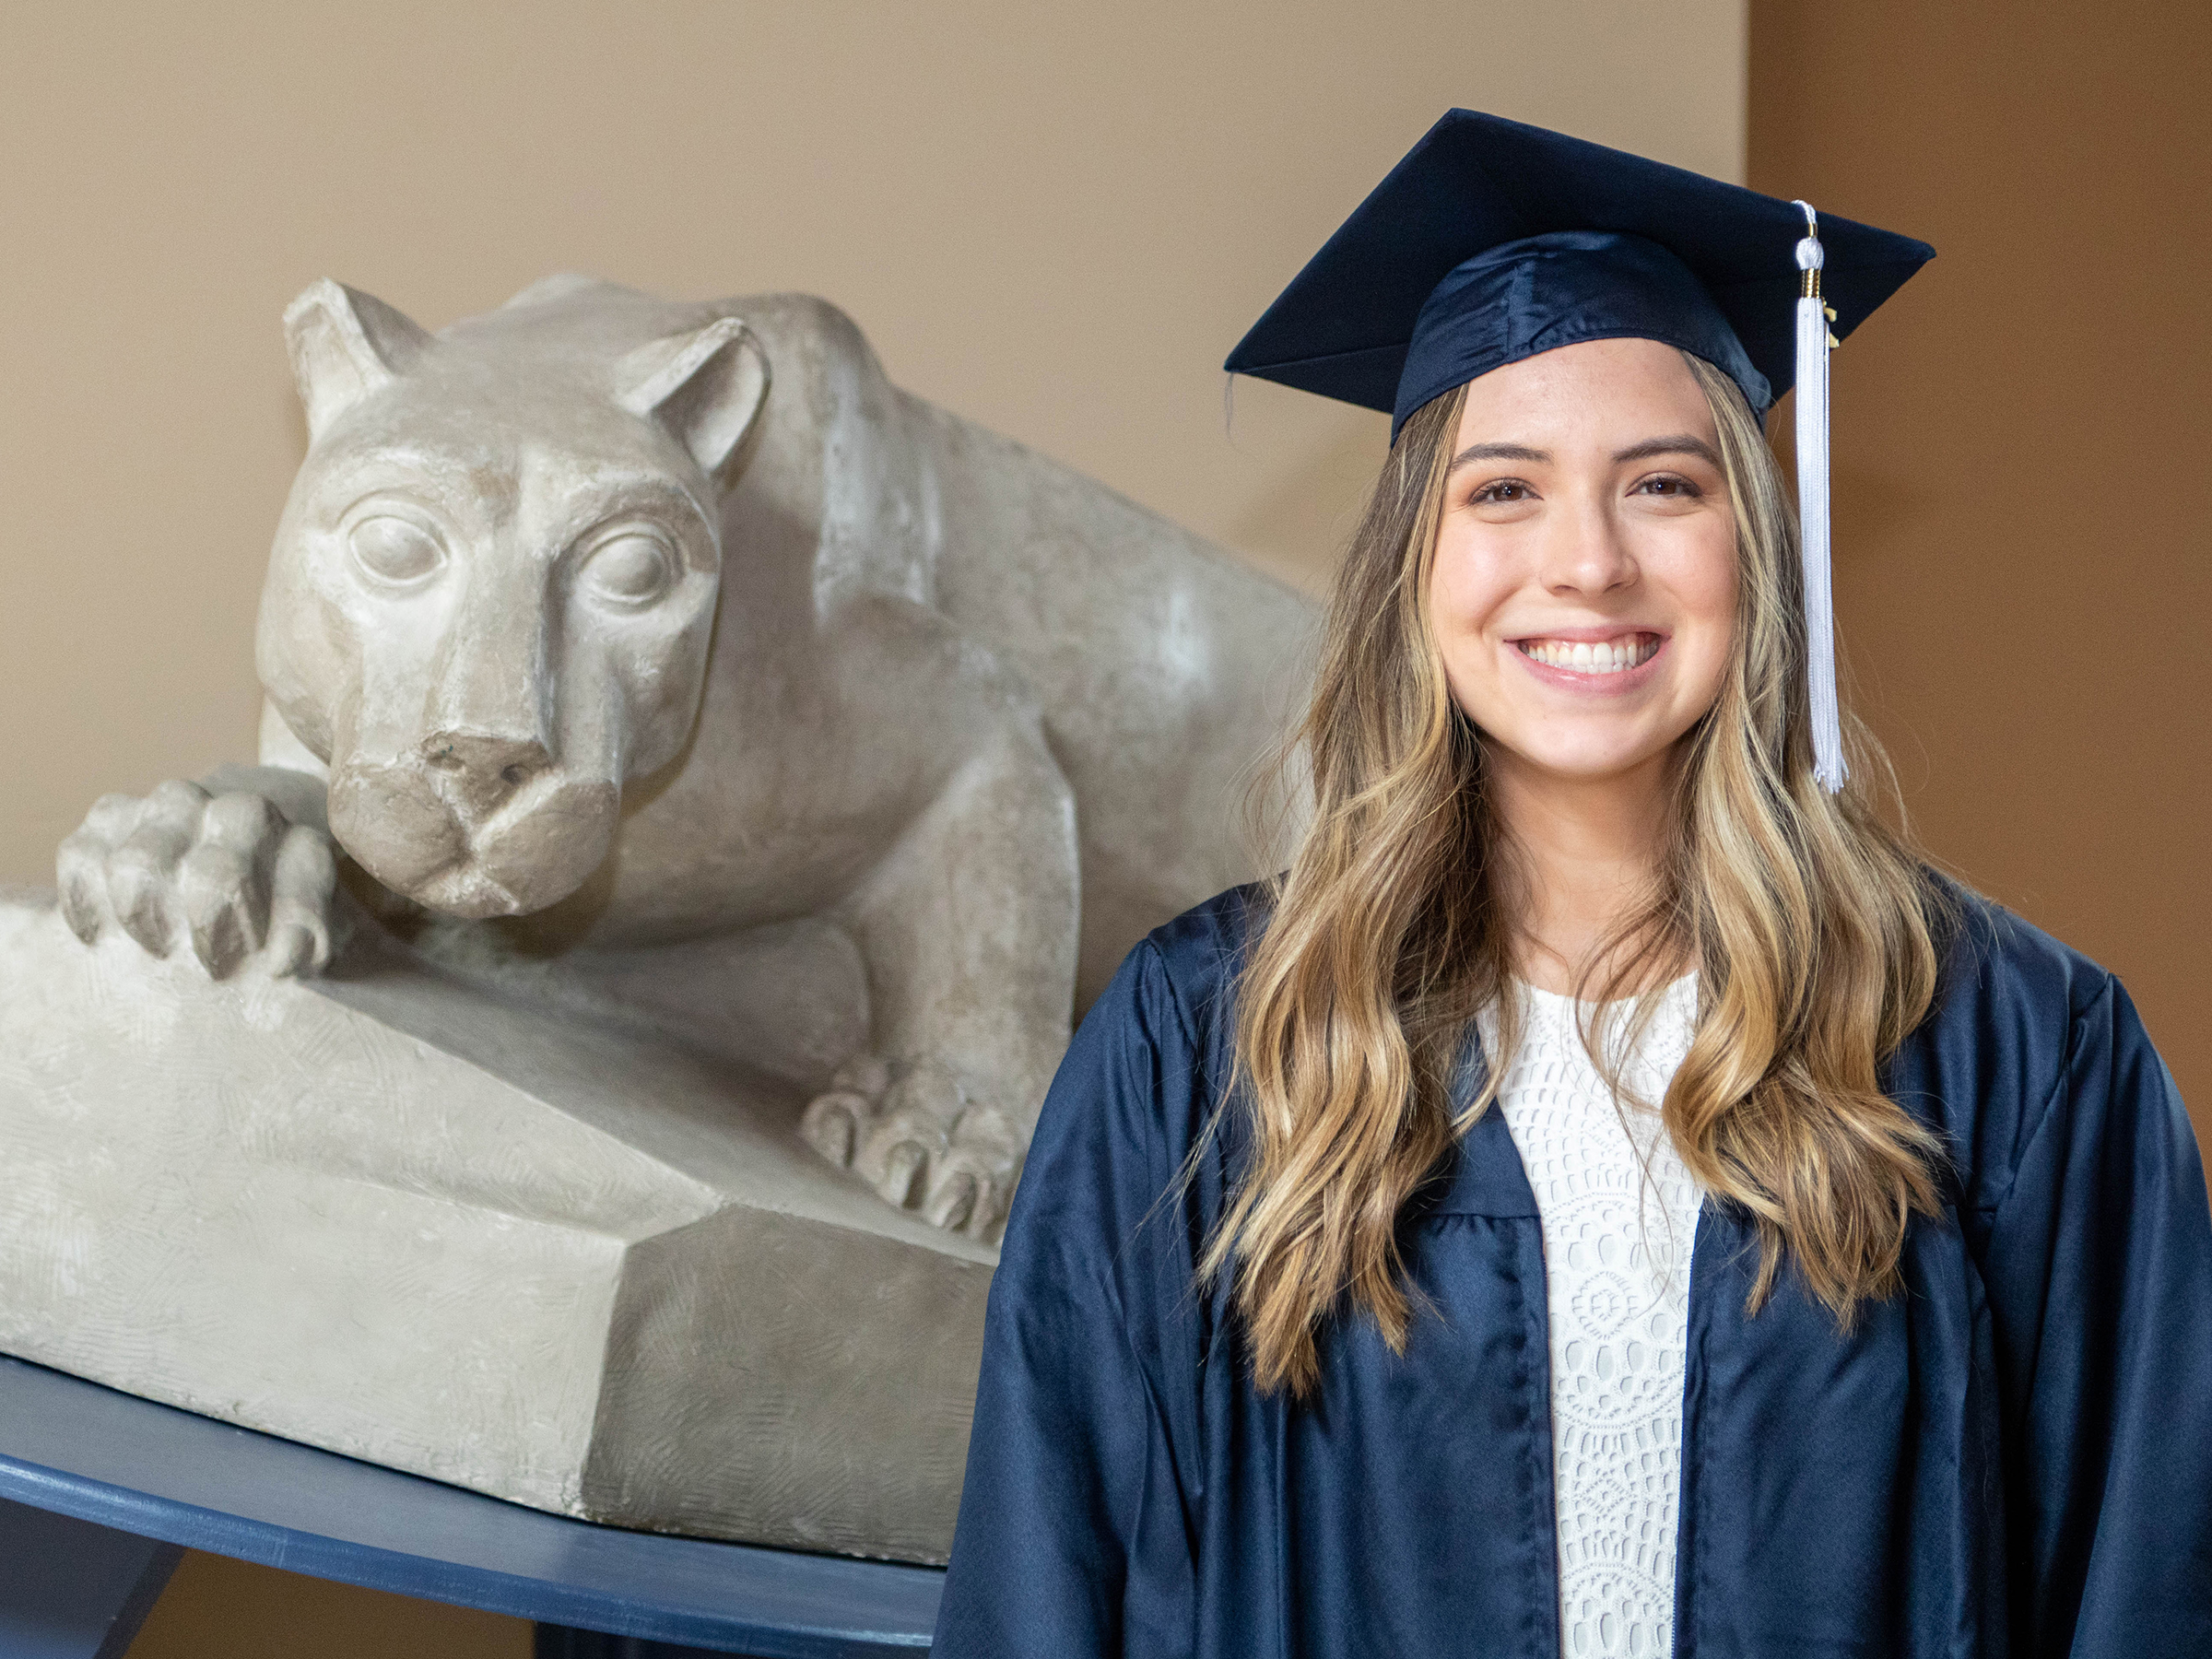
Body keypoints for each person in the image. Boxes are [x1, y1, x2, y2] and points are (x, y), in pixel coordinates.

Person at [931, 111, 2212, 1658]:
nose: (1589, 560)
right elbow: (1047, 1592)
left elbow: (2143, 1586)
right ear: (1415, 564)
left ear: (1756, 542)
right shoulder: (1210, 1043)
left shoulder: (2008, 1048)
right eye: (1505, 490)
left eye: (1664, 485)